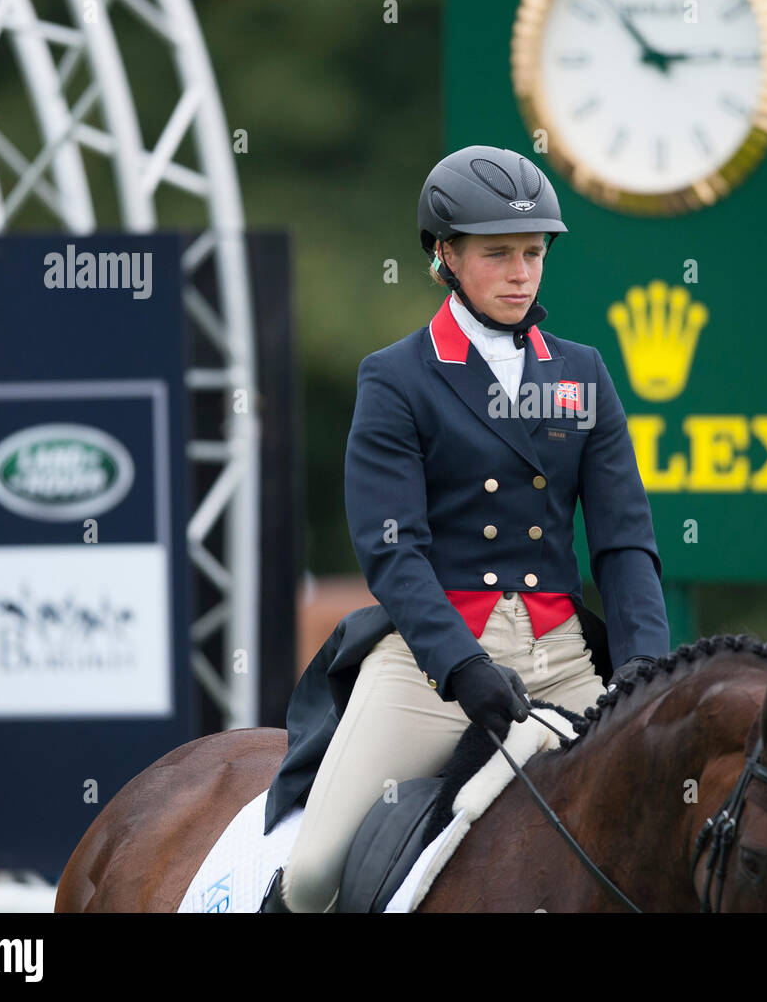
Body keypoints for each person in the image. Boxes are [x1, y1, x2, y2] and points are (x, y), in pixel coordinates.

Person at [262, 145, 672, 912]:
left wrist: (644, 672)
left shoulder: (582, 375)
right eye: (498, 255)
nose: (521, 273)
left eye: (533, 252)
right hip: (434, 664)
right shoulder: (398, 377)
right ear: (445, 256)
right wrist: (461, 665)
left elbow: (624, 545)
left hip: (565, 662)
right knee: (316, 867)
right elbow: (393, 551)